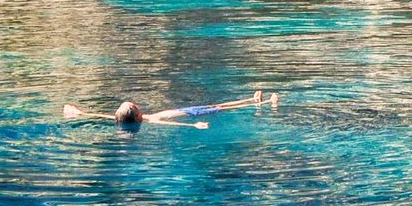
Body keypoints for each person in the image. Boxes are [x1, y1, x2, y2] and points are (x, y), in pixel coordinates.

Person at [63, 88, 278, 128]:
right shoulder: (149, 120)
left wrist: (79, 113)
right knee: (219, 107)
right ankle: (264, 103)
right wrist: (194, 126)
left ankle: (252, 101)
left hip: (187, 109)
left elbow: (100, 115)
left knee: (218, 105)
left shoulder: (120, 119)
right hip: (189, 113)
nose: (137, 104)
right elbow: (171, 124)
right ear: (137, 116)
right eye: (135, 107)